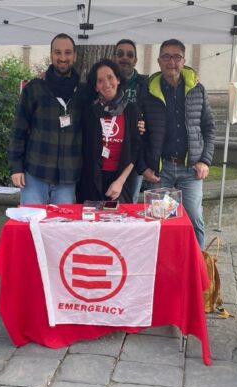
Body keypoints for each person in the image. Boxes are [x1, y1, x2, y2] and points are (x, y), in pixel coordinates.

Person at [140, 39, 215, 250]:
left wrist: (205, 160)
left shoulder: (197, 90)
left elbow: (209, 128)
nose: (171, 61)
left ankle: (199, 270)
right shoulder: (147, 91)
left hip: (190, 170)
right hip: (159, 171)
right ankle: (163, 270)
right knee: (159, 223)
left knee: (194, 221)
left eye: (176, 57)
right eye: (166, 56)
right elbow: (139, 135)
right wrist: (143, 167)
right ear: (158, 61)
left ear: (183, 61)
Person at [8, 33, 84, 204]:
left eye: (68, 52)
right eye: (58, 52)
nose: (63, 58)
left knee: (62, 230)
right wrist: (16, 167)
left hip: (68, 178)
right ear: (51, 55)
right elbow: (18, 130)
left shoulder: (83, 92)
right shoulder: (34, 89)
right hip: (35, 174)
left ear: (75, 56)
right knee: (30, 227)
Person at [77, 59, 140, 203]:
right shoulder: (88, 111)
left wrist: (121, 181)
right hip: (91, 181)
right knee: (91, 224)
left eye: (110, 77)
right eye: (100, 81)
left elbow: (136, 149)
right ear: (96, 87)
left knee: (119, 224)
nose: (106, 84)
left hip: (120, 181)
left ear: (118, 79)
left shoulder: (131, 110)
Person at [112, 39, 148, 203]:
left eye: (129, 54)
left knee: (131, 201)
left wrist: (145, 122)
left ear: (136, 60)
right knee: (109, 196)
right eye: (120, 54)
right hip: (111, 148)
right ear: (114, 57)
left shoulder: (146, 83)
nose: (124, 58)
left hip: (134, 151)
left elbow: (155, 111)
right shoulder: (107, 80)